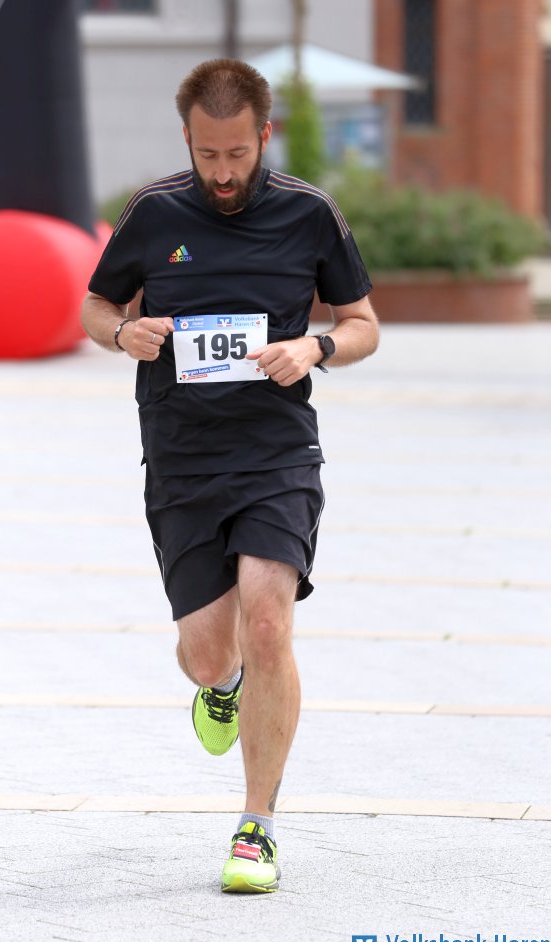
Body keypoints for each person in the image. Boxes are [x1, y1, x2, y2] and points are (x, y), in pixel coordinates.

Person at [82, 58, 379, 894]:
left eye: (237, 154)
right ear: (187, 139)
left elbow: (362, 323)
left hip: (275, 451)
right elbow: (96, 306)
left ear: (263, 136)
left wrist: (315, 346)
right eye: (207, 154)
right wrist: (122, 335)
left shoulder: (309, 213)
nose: (221, 172)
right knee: (209, 657)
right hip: (181, 456)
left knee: (269, 621)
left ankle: (256, 828)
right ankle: (225, 687)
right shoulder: (153, 212)